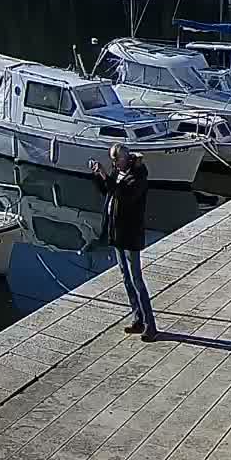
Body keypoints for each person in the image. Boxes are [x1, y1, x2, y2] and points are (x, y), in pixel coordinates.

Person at [91, 143, 156, 339]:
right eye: (112, 160)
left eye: (116, 160)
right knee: (125, 278)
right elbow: (108, 191)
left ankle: (150, 325)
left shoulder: (138, 177)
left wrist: (105, 177)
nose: (114, 164)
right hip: (116, 232)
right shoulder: (117, 172)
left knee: (137, 279)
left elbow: (124, 195)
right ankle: (137, 318)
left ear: (126, 158)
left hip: (130, 234)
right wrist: (97, 176)